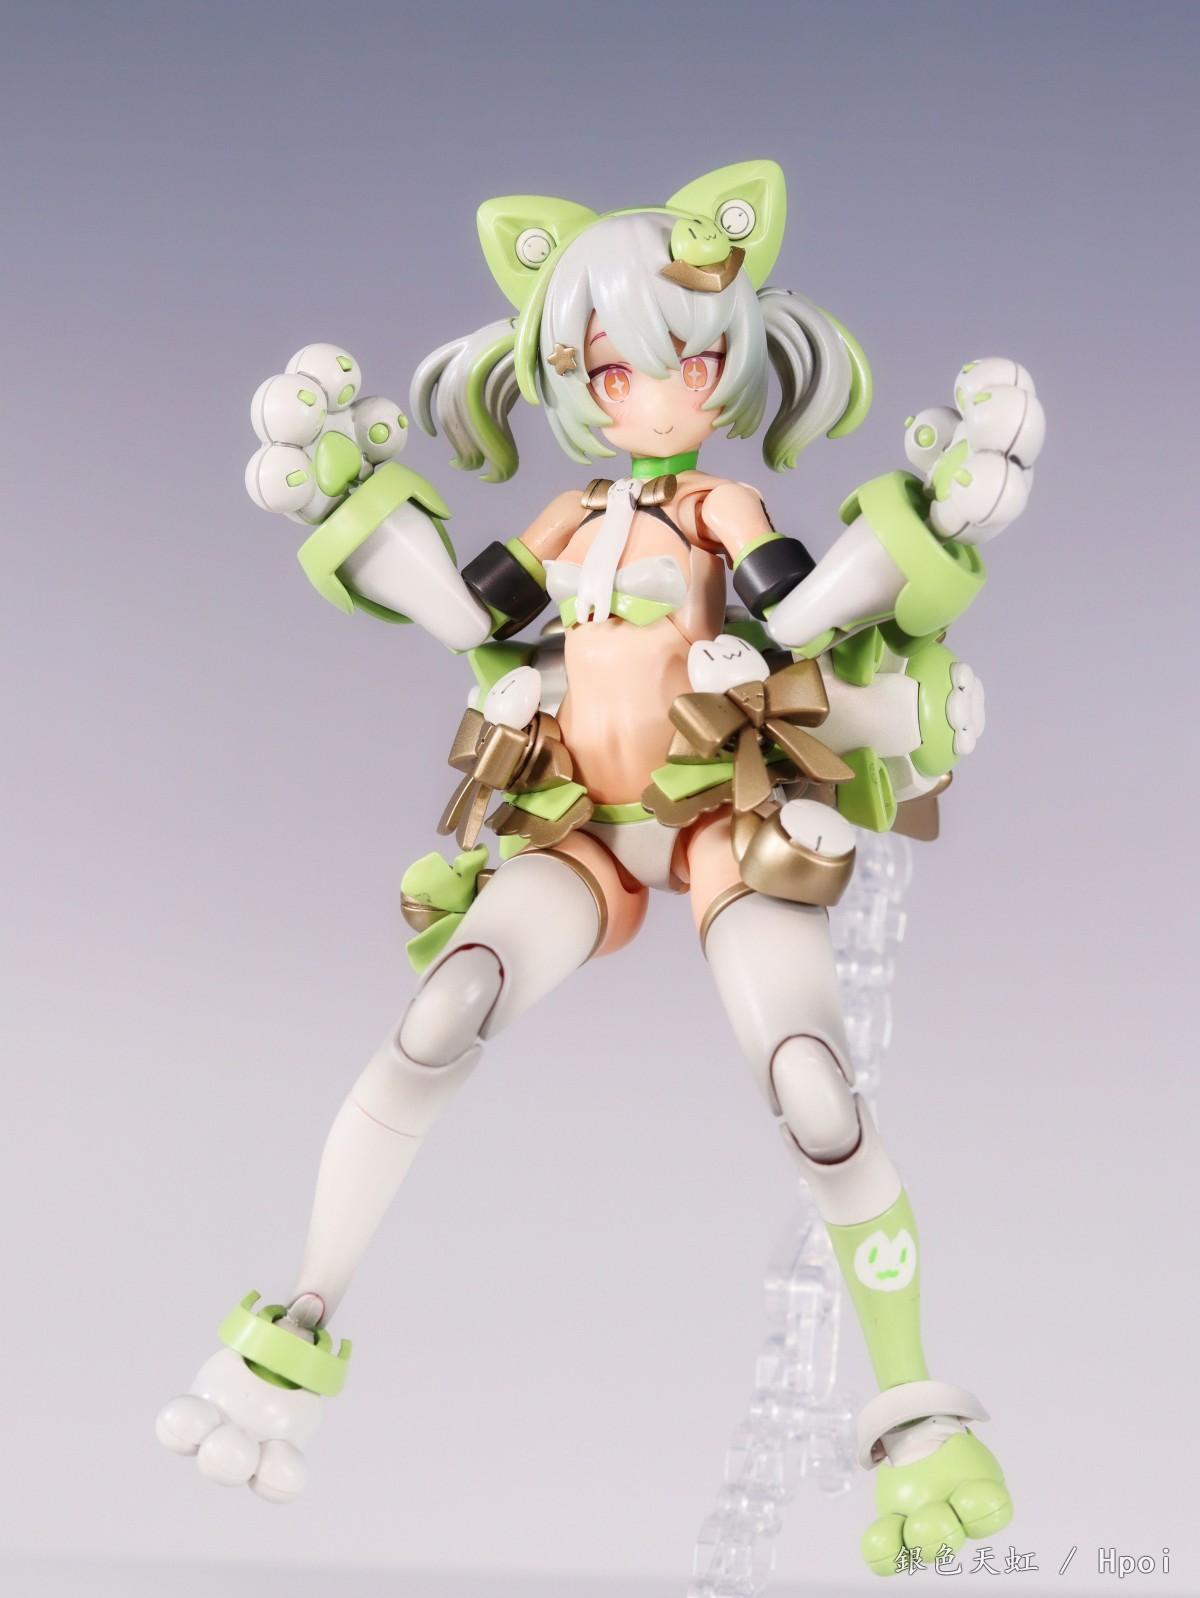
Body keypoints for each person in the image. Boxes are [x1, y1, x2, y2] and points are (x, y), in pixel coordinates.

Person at [159, 160, 1043, 1578]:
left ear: (732, 362)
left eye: (685, 360)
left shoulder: (726, 508)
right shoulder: (571, 518)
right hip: (577, 819)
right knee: (443, 1013)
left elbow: (796, 609)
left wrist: (906, 565)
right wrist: (352, 516)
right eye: (610, 367)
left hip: (721, 806)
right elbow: (479, 613)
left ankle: (916, 1417)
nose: (651, 393)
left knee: (812, 1090)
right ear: (567, 379)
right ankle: (295, 1329)